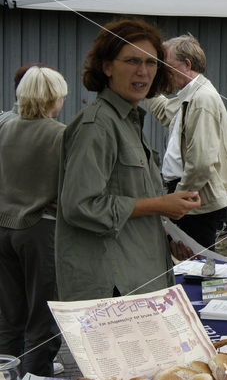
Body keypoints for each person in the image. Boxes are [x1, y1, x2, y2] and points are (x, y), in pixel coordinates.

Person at [56, 19, 202, 301]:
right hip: (111, 286)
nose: (142, 71)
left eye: (151, 63)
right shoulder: (97, 125)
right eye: (132, 61)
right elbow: (80, 205)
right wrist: (160, 205)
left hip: (137, 275)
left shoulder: (128, 121)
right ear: (107, 66)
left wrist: (167, 237)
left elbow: (128, 197)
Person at [145, 34, 227, 249]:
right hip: (192, 196)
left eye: (167, 67)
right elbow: (164, 111)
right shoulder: (189, 96)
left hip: (195, 200)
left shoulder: (201, 99)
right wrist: (144, 86)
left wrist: (179, 199)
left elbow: (201, 162)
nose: (164, 73)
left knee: (195, 265)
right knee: (190, 261)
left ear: (186, 64)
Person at [0, 66, 66, 376]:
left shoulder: (4, 127)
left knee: (10, 315)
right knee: (43, 318)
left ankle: (7, 371)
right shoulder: (60, 134)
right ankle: (37, 374)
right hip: (40, 228)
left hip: (3, 227)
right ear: (54, 98)